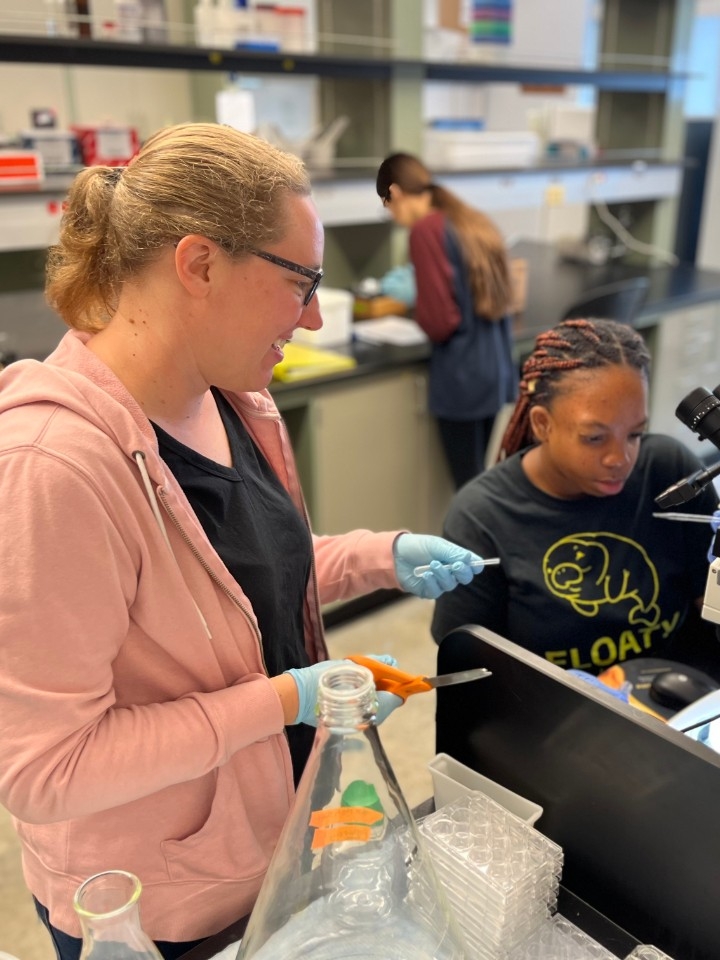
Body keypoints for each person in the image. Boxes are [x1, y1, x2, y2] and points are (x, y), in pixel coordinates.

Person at [0, 123, 487, 960]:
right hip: (160, 907)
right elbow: (48, 772)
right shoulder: (52, 471)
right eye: (302, 283)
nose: (316, 315)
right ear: (199, 264)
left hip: (274, 841)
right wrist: (287, 700)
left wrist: (381, 554)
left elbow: (234, 590)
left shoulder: (233, 399)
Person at [431, 318, 720, 677]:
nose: (621, 459)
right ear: (542, 424)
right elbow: (468, 674)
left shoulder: (670, 471)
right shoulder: (482, 518)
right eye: (594, 438)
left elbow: (711, 608)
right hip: (554, 721)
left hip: (681, 707)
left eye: (634, 434)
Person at [375, 152, 518, 489]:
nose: (395, 218)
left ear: (395, 193)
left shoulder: (425, 230)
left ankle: (476, 545)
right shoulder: (470, 219)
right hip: (493, 370)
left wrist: (416, 306)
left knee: (469, 489)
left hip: (462, 377)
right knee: (482, 481)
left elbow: (440, 321)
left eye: (389, 206)